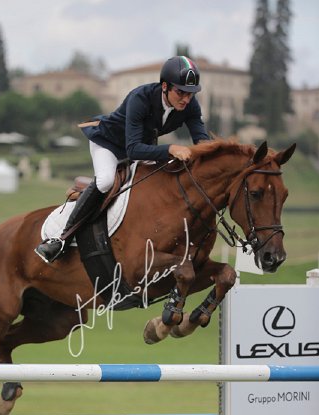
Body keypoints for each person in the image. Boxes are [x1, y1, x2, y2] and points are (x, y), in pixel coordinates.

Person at [35, 56, 210, 264]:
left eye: (190, 94)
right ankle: (60, 238)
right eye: (180, 92)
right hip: (108, 144)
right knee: (105, 181)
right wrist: (171, 149)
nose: (186, 99)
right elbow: (133, 150)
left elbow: (203, 142)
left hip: (143, 149)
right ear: (165, 86)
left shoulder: (190, 106)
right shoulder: (140, 97)